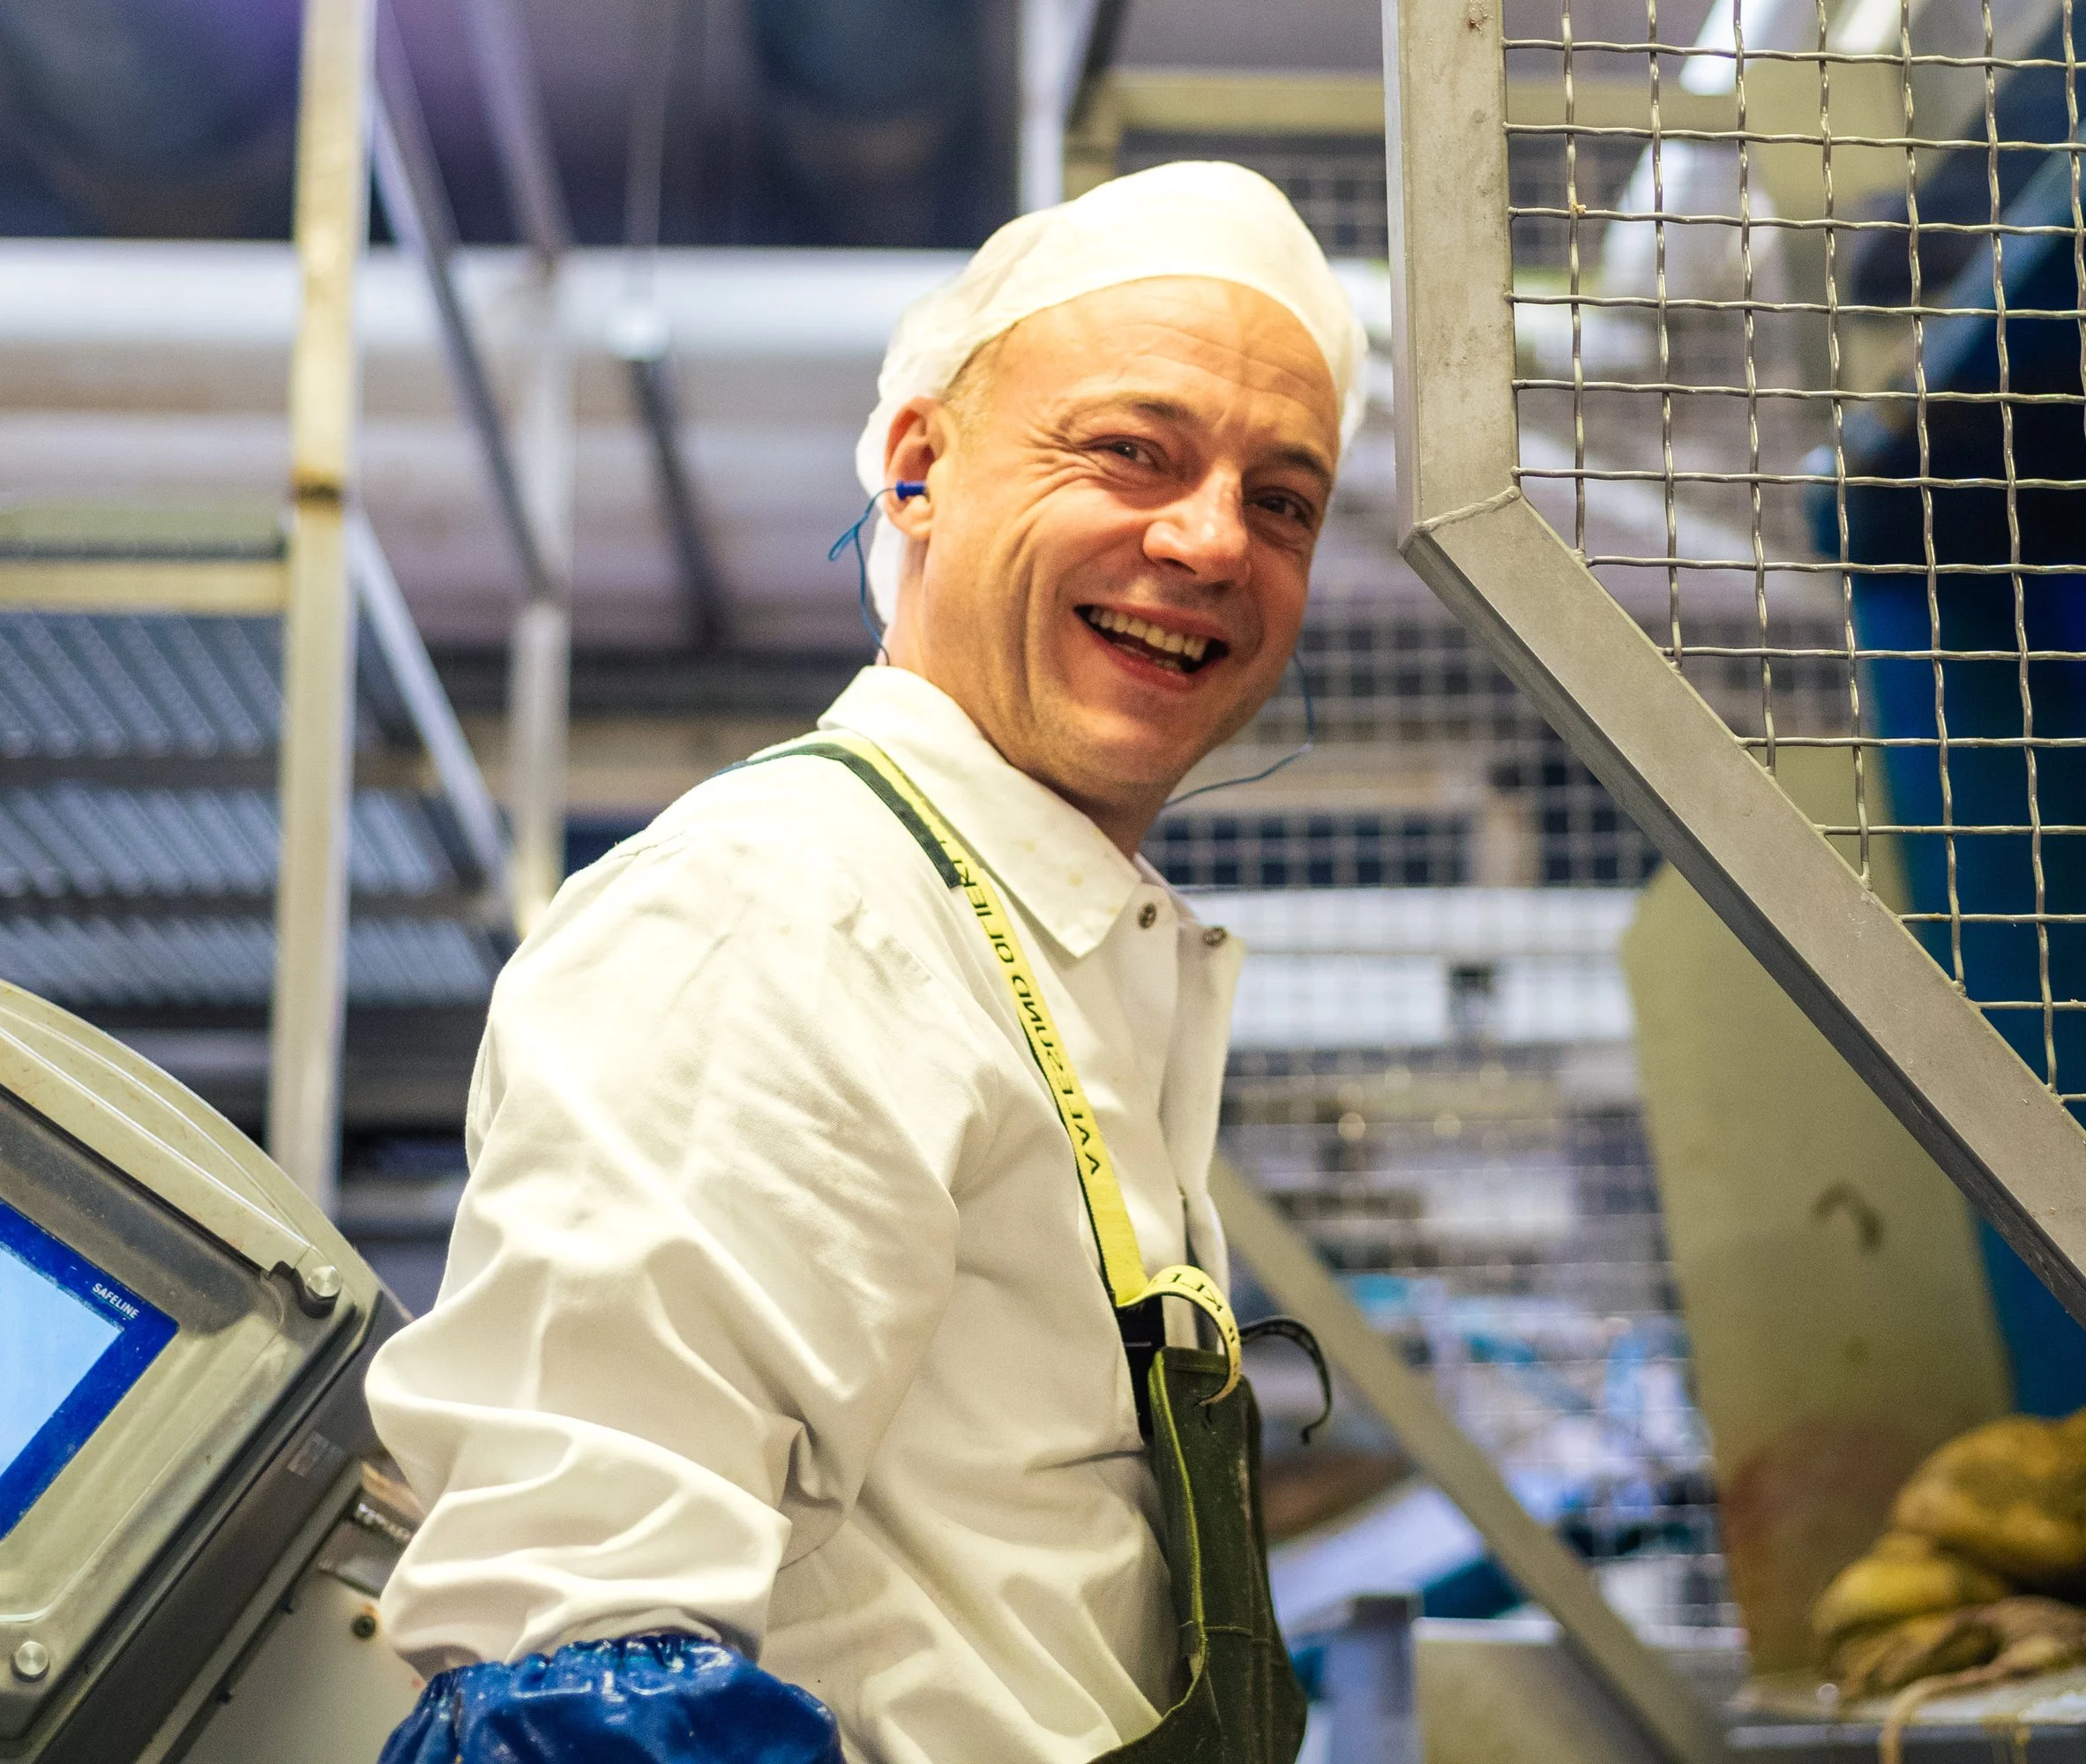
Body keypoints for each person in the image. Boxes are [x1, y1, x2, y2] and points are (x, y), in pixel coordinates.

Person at [366, 160, 1365, 1764]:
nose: (1209, 540)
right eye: (1132, 450)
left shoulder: (1040, 942)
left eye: (1283, 500)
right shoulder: (787, 914)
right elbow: (577, 1654)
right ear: (917, 468)